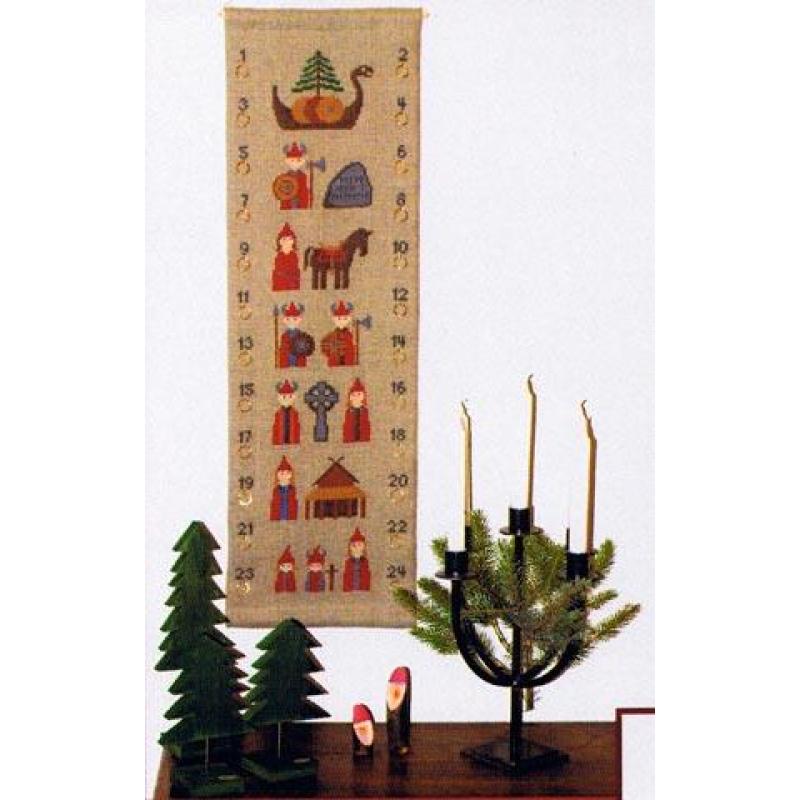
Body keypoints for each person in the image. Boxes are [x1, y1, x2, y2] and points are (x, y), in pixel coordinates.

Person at [275, 142, 310, 210]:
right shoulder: (284, 177)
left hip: (300, 205)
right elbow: (282, 192)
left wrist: (299, 201)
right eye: (292, 160)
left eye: (297, 160)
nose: (294, 163)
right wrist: (289, 201)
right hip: (287, 205)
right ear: (288, 161)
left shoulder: (303, 177)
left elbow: (304, 192)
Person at [321, 300, 356, 367]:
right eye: (339, 319)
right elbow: (324, 347)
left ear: (349, 319)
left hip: (348, 363)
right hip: (334, 363)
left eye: (345, 318)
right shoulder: (330, 336)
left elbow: (352, 350)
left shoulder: (350, 336)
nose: (342, 321)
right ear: (334, 319)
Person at [278, 302, 313, 368]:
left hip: (299, 360)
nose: (291, 322)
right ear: (284, 320)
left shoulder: (302, 335)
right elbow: (282, 349)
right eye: (288, 319)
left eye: (295, 319)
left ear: (299, 320)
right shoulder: (284, 336)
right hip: (287, 361)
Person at [272, 222, 300, 290]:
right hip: (281, 283)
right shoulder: (279, 256)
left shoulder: (294, 256)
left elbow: (295, 271)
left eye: (290, 239)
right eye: (284, 239)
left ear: (293, 241)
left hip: (292, 283)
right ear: (280, 242)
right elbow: (278, 271)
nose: (287, 242)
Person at [272, 379, 301, 445]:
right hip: (280, 440)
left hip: (293, 440)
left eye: (290, 396)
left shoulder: (295, 413)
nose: (287, 399)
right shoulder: (278, 413)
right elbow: (276, 427)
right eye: (284, 397)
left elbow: (297, 426)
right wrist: (275, 440)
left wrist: (296, 439)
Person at [269, 456, 298, 521]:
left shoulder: (292, 489)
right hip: (279, 513)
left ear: (290, 475)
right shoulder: (276, 490)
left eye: (287, 473)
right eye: (282, 473)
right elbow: (274, 505)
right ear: (277, 475)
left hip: (289, 513)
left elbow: (293, 503)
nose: (284, 476)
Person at [343, 377, 370, 443]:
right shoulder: (349, 412)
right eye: (353, 395)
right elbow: (347, 427)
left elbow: (366, 425)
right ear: (350, 397)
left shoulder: (365, 411)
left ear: (363, 396)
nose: (356, 397)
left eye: (359, 394)